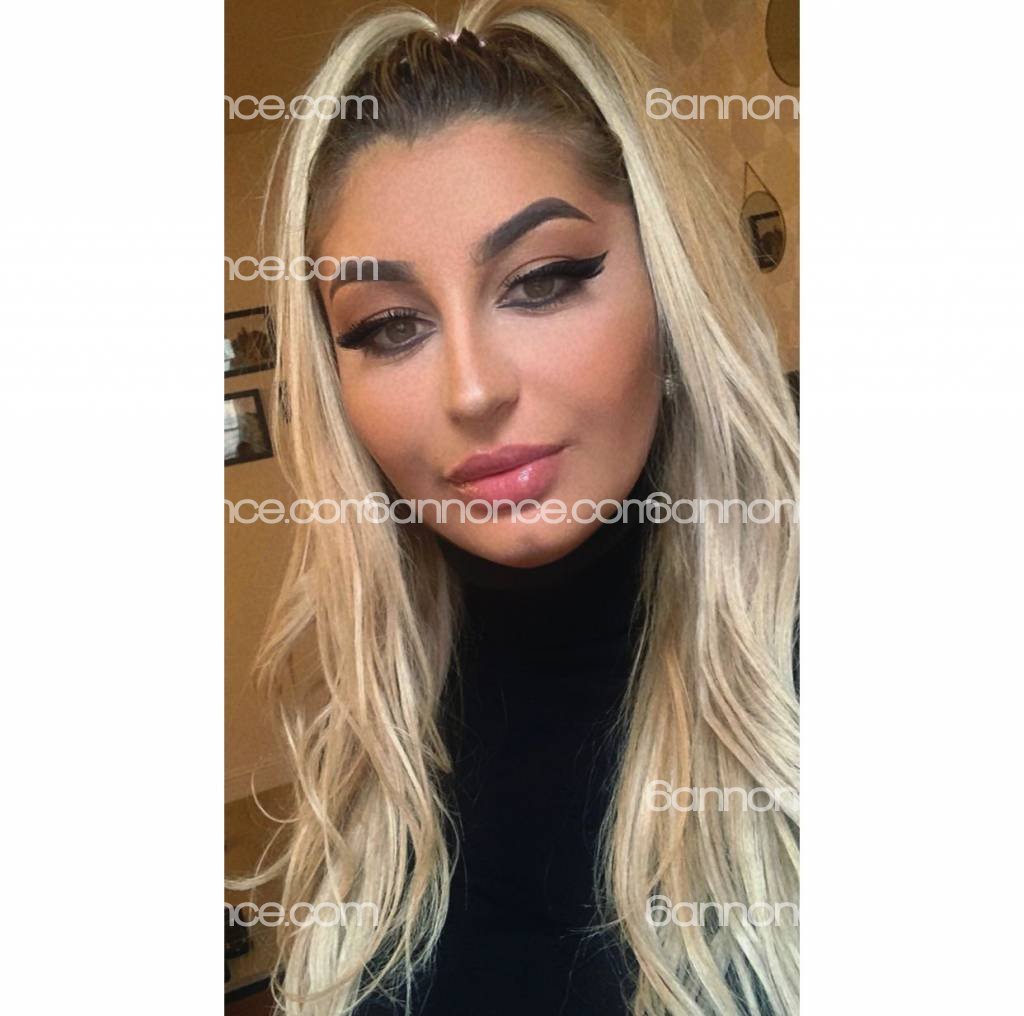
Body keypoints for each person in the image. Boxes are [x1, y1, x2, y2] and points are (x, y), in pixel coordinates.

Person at [243, 1, 799, 1013]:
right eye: (390, 326)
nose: (472, 389)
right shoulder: (369, 725)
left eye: (541, 282)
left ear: (668, 287)